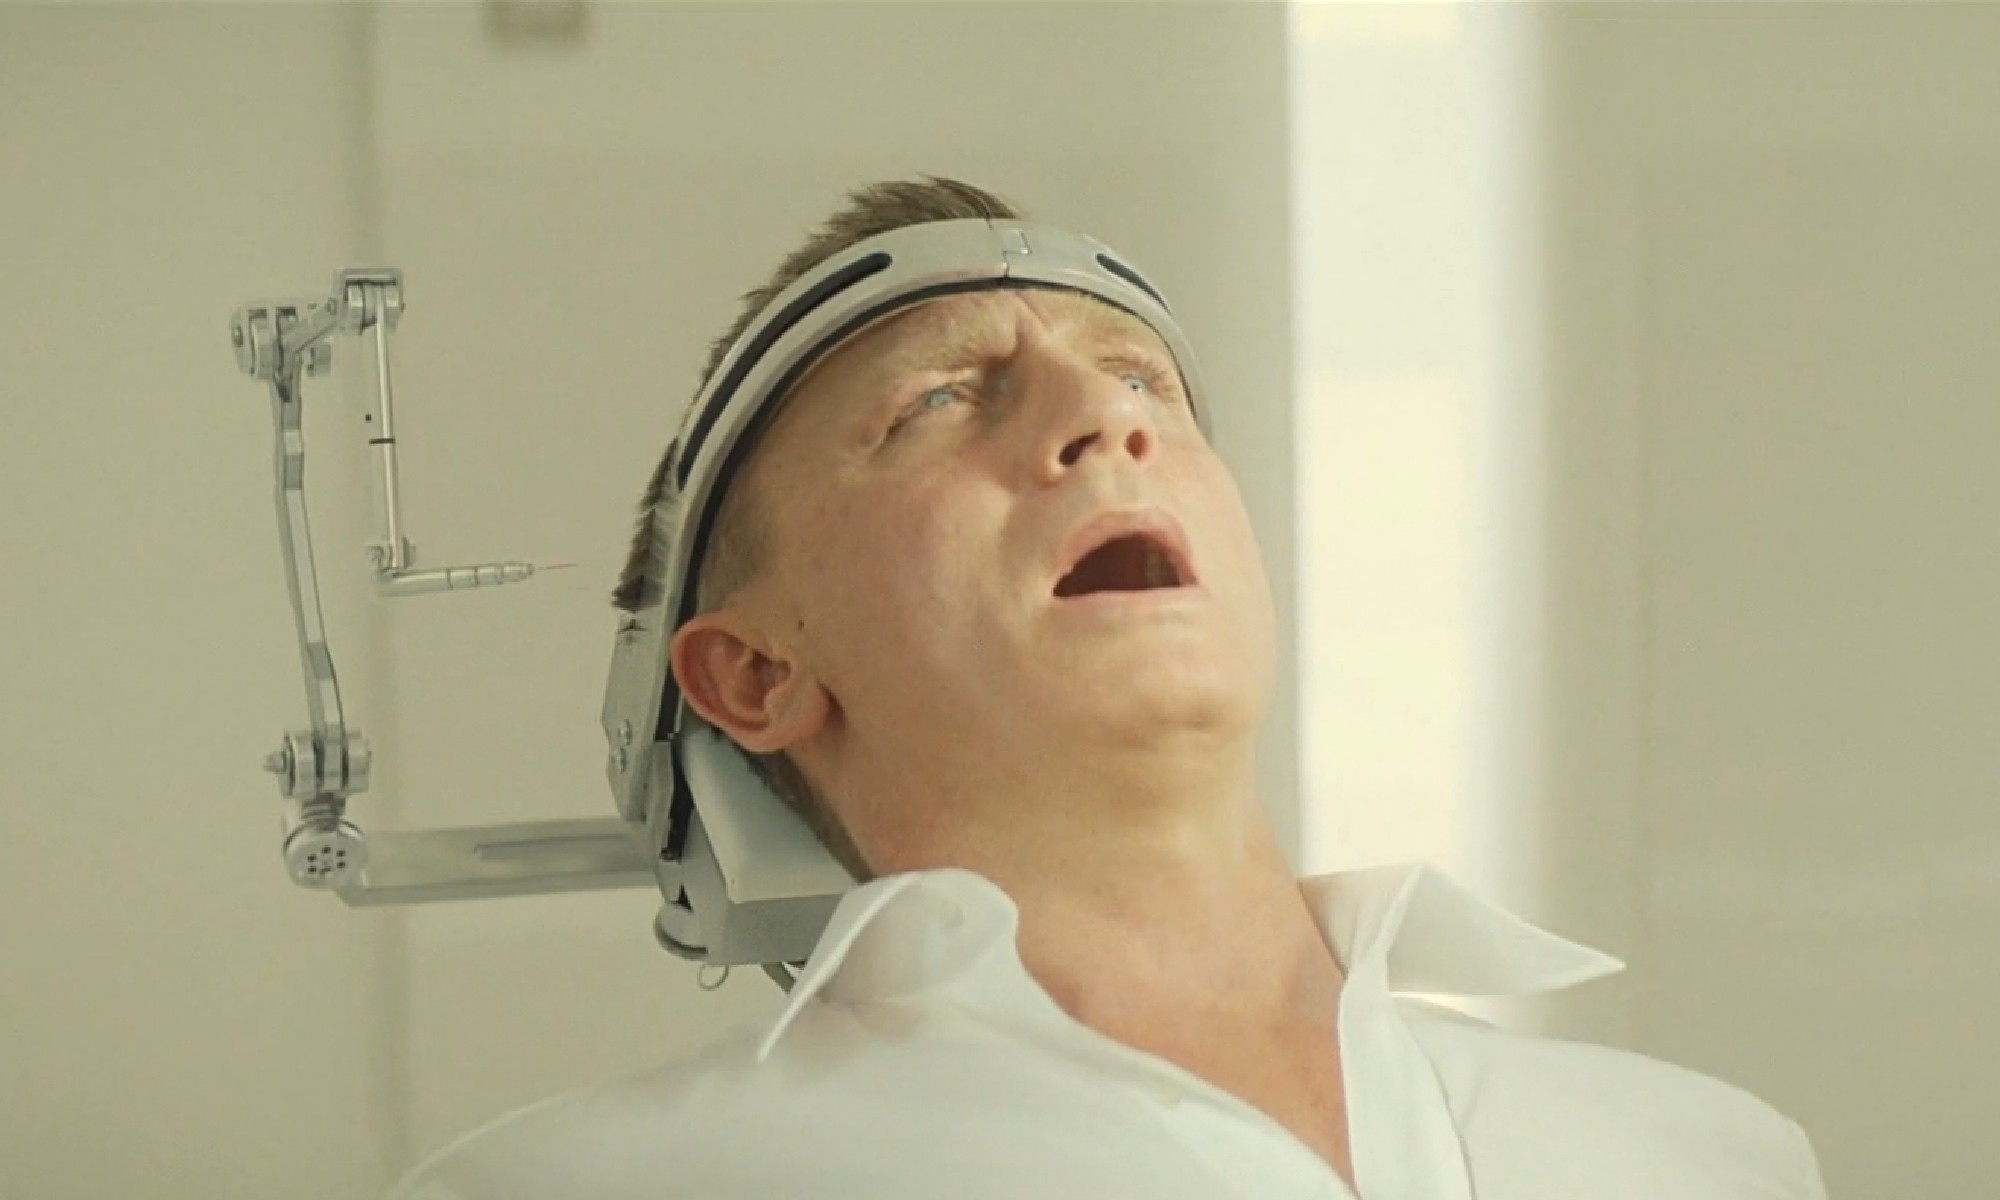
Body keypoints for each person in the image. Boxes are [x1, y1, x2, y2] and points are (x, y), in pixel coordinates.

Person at [388, 177, 1827, 1199]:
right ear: (757, 673)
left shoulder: (1715, 1162)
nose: (1106, 420)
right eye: (938, 399)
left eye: (1144, 381)